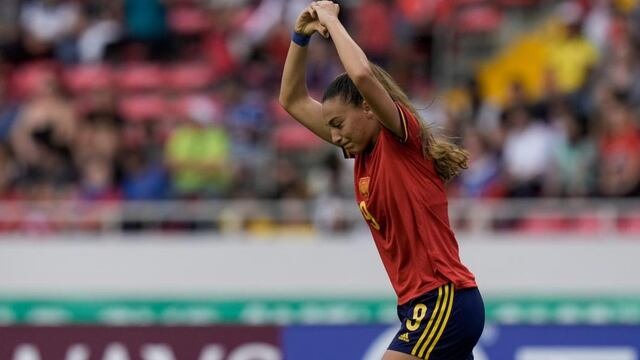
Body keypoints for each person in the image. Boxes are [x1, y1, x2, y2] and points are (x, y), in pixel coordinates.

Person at [279, 2, 484, 359]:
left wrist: (331, 20)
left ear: (369, 108)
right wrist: (300, 37)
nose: (335, 136)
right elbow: (292, 100)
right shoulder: (363, 154)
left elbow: (361, 76)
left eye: (339, 124)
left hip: (442, 299)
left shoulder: (402, 139)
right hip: (417, 305)